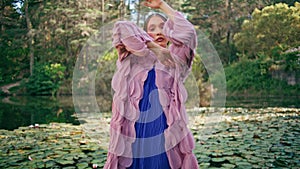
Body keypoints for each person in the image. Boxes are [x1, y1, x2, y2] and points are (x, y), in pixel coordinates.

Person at [104, 0, 199, 168]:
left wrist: (162, 5)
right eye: (152, 29)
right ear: (145, 34)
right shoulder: (133, 59)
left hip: (163, 130)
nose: (158, 32)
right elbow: (121, 27)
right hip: (134, 130)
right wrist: (154, 47)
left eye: (162, 27)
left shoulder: (175, 59)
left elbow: (189, 32)